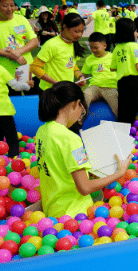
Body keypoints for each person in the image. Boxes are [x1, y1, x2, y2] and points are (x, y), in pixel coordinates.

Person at [36, 81, 130, 217]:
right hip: (76, 215)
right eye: (83, 109)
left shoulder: (42, 131)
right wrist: (119, 173)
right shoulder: (70, 138)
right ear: (76, 104)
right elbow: (84, 188)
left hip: (53, 212)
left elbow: (57, 168)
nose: (81, 113)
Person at [31, 13, 86, 93]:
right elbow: (35, 67)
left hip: (66, 89)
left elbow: (72, 64)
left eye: (81, 31)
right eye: (76, 31)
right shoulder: (51, 44)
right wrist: (57, 84)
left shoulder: (73, 43)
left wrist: (80, 76)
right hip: (50, 91)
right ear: (64, 27)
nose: (79, 35)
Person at [111, 18, 138, 124]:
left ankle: (125, 136)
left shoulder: (117, 48)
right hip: (135, 82)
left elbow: (112, 68)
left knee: (125, 112)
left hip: (121, 83)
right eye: (135, 30)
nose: (136, 33)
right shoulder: (134, 46)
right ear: (130, 32)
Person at [82, 32, 119, 117]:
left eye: (96, 48)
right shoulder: (89, 59)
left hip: (110, 87)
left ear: (104, 46)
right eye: (91, 47)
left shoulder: (113, 57)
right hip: (94, 87)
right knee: (84, 96)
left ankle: (123, 127)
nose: (93, 50)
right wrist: (82, 79)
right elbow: (84, 74)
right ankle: (79, 122)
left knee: (117, 108)